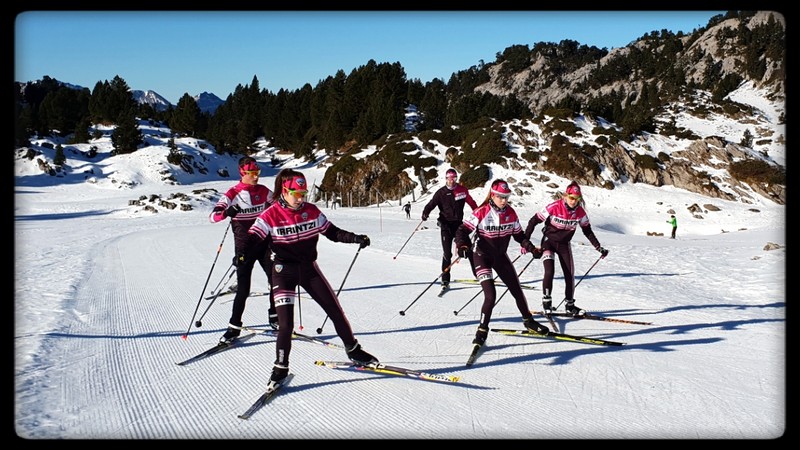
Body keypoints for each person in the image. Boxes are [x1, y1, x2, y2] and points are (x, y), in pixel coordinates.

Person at [247, 168, 377, 388]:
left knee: (335, 310)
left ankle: (353, 350)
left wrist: (355, 238)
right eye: (296, 194)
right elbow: (253, 237)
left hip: (309, 270)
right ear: (284, 191)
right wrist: (243, 254)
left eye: (303, 194)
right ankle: (280, 368)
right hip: (283, 272)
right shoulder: (270, 215)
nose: (301, 199)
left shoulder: (311, 211)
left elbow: (332, 232)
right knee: (285, 325)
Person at [454, 179, 549, 346]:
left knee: (517, 290)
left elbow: (519, 235)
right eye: (500, 197)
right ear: (493, 195)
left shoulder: (511, 213)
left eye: (506, 197)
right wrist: (462, 245)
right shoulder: (481, 212)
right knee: (491, 295)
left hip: (500, 257)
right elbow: (462, 230)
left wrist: (532, 248)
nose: (504, 200)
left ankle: (528, 321)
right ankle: (482, 330)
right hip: (481, 256)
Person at [209, 157, 278, 344]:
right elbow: (212, 217)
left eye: (258, 173)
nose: (256, 176)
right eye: (252, 173)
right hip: (244, 250)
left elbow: (279, 206)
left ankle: (274, 316)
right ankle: (233, 328)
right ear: (242, 173)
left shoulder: (263, 191)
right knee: (243, 289)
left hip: (265, 244)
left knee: (276, 281)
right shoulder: (233, 193)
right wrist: (226, 213)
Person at [524, 181, 608, 316]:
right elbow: (533, 221)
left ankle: (570, 305)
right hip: (549, 242)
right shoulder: (554, 207)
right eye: (571, 198)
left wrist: (598, 247)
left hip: (564, 245)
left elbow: (587, 231)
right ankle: (547, 303)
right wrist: (525, 242)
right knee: (549, 270)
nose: (574, 201)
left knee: (569, 274)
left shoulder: (580, 212)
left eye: (577, 199)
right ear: (565, 196)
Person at [421, 168, 478, 293]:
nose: (452, 181)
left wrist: (478, 213)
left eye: (454, 178)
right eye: (449, 178)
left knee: (468, 249)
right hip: (446, 225)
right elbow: (431, 204)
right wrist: (425, 213)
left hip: (459, 225)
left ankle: (479, 274)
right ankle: (445, 280)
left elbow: (471, 202)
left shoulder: (462, 190)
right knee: (447, 254)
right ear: (446, 179)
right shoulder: (441, 193)